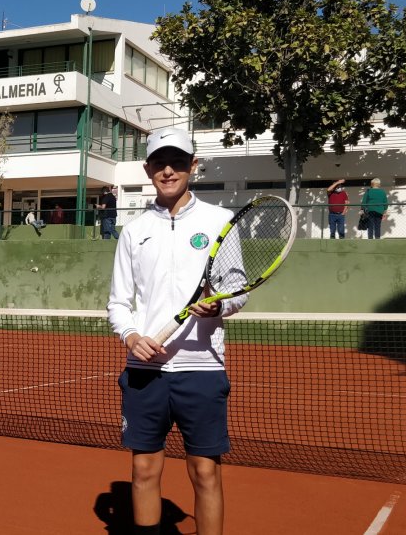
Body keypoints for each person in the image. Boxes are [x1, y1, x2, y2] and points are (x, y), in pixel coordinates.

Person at [107, 127, 245, 535]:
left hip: (201, 370)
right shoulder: (133, 231)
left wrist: (220, 305)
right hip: (144, 371)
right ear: (149, 169)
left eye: (179, 162)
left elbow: (237, 292)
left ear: (193, 166)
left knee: (205, 473)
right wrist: (132, 336)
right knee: (144, 470)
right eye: (161, 163)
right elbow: (118, 302)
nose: (169, 171)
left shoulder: (219, 222)